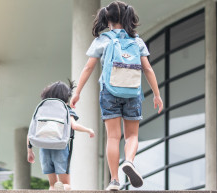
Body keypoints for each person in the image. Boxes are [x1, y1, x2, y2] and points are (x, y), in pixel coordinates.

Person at [70, 1, 164, 191]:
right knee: (132, 136)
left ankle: (114, 180)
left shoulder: (103, 40)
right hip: (132, 92)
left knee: (113, 137)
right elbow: (148, 69)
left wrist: (77, 92)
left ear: (107, 18)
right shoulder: (137, 41)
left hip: (109, 92)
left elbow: (89, 67)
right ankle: (128, 161)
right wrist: (157, 94)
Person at [27, 80, 95, 190]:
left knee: (52, 185)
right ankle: (63, 188)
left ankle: (55, 189)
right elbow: (74, 126)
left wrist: (30, 150)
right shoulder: (66, 109)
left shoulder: (42, 109)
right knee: (66, 184)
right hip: (60, 147)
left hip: (44, 148)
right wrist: (89, 130)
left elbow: (31, 131)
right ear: (66, 96)